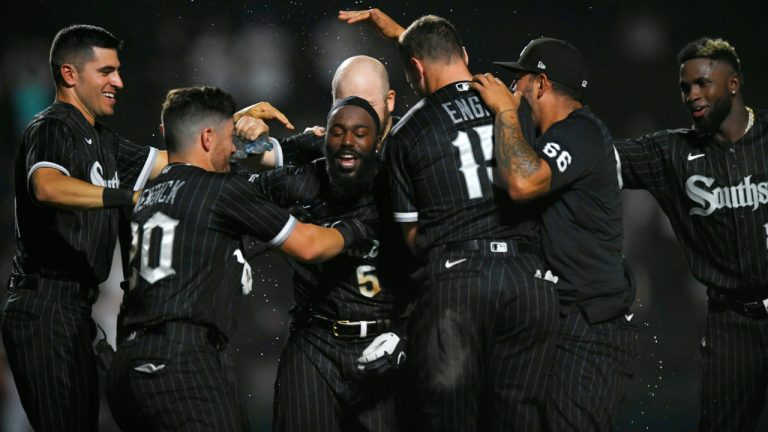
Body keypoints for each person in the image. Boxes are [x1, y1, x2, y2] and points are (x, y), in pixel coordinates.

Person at [105, 86, 375, 430]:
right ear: (206, 138)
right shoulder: (219, 190)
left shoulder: (146, 195)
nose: (234, 148)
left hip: (127, 364)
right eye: (228, 137)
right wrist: (360, 226)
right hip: (181, 360)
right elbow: (310, 245)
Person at [343, 12, 559, 431]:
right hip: (529, 283)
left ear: (415, 69)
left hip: (457, 287)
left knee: (450, 421)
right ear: (462, 53)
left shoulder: (409, 133)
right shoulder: (514, 109)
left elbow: (412, 239)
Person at [1, 24, 168, 431]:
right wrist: (123, 197)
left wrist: (226, 130)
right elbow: (45, 185)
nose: (119, 81)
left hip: (74, 310)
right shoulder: (53, 127)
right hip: (44, 307)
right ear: (70, 75)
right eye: (106, 71)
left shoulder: (104, 141)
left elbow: (173, 159)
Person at [471, 37, 638, 431]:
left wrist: (505, 115)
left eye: (520, 81)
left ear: (541, 84)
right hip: (561, 321)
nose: (513, 91)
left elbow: (524, 182)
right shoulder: (557, 139)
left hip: (591, 326)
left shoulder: (581, 132)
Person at [614, 37, 768, 432]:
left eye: (703, 83)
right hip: (731, 320)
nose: (692, 95)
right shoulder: (675, 154)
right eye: (686, 87)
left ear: (733, 84)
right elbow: (595, 157)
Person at [250, 96, 412, 432]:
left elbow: (436, 266)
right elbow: (225, 196)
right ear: (322, 138)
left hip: (382, 342)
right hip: (314, 342)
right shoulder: (299, 180)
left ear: (379, 140)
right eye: (337, 132)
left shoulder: (399, 189)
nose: (348, 141)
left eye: (360, 132)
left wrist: (407, 334)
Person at [237, 54, 398, 169]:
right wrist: (251, 136)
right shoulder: (320, 143)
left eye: (368, 105)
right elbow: (257, 156)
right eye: (345, 105)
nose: (357, 117)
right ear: (333, 103)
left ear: (389, 101)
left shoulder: (412, 142)